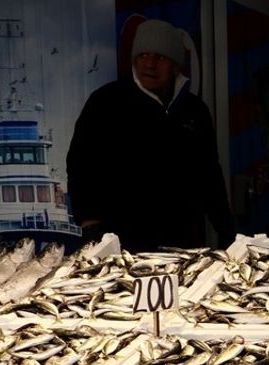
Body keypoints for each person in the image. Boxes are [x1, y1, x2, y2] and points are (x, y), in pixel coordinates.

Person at [67, 19, 233, 250]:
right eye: (143, 55)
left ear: (176, 65)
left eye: (161, 57)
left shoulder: (195, 111)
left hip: (182, 242)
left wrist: (226, 230)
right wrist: (89, 223)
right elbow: (80, 165)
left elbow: (210, 174)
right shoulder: (105, 102)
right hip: (121, 242)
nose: (150, 64)